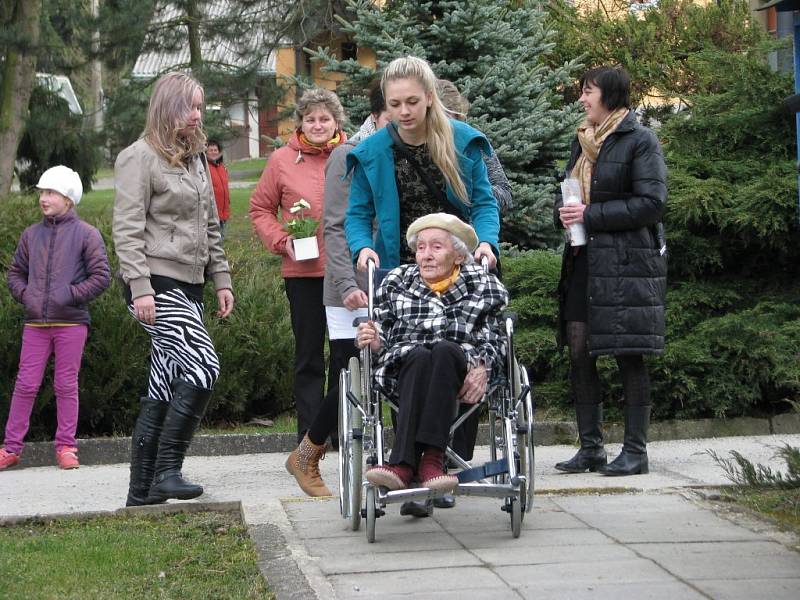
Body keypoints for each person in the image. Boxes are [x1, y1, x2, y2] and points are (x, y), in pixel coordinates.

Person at [113, 71, 234, 505]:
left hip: (192, 282)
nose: (197, 114)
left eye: (200, 106)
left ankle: (141, 493)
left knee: (163, 383)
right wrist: (140, 286)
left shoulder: (197, 156)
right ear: (167, 107)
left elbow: (211, 225)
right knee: (203, 366)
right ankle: (168, 471)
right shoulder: (138, 157)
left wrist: (221, 278)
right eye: (189, 106)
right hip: (155, 283)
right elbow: (126, 230)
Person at [553, 66, 667, 477]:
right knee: (579, 350)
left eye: (588, 92)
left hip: (626, 265)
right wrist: (563, 213)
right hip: (583, 260)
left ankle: (636, 451)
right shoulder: (582, 142)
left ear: (610, 95)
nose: (582, 99)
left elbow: (651, 203)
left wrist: (590, 214)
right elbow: (567, 192)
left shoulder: (640, 140)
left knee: (628, 353)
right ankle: (591, 449)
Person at [284, 82, 389, 497]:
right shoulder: (350, 154)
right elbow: (336, 226)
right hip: (348, 284)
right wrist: (347, 283)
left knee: (388, 366)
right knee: (349, 371)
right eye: (393, 114)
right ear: (377, 116)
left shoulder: (397, 151)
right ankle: (309, 451)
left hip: (387, 280)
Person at [357, 213, 508, 492]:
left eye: (436, 247)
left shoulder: (484, 286)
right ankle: (413, 464)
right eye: (421, 247)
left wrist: (483, 367)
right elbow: (381, 332)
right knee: (419, 356)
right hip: (403, 370)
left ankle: (421, 461)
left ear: (459, 256)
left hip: (461, 371)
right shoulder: (396, 281)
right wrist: (374, 340)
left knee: (444, 351)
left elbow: (496, 336)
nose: (426, 255)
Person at [249, 87, 347, 447]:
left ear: (337, 121)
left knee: (345, 354)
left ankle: (338, 430)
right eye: (310, 119)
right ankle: (310, 436)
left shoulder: (352, 155)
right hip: (303, 272)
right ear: (300, 123)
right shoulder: (281, 160)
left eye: (324, 118)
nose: (318, 125)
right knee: (308, 355)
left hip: (344, 273)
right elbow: (260, 209)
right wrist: (282, 240)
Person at [345, 55, 500, 274]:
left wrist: (486, 242)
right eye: (395, 104)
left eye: (412, 101)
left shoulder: (463, 141)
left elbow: (483, 202)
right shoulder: (370, 152)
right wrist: (362, 247)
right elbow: (358, 213)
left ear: (428, 97)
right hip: (399, 272)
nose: (404, 112)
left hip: (459, 267)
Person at [1, 166, 110, 471]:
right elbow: (15, 274)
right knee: (25, 385)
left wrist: (68, 295)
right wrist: (28, 296)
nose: (43, 198)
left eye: (50, 193)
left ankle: (66, 447)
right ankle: (10, 448)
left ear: (68, 199)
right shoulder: (30, 235)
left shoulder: (87, 234)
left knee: (65, 385)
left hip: (72, 323)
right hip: (35, 324)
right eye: (42, 192)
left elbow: (101, 276)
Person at [206, 139, 230, 238]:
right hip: (211, 212)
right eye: (210, 150)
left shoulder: (222, 168)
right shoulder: (204, 168)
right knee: (214, 238)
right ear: (205, 152)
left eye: (215, 150)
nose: (213, 152)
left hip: (223, 210)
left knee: (221, 236)